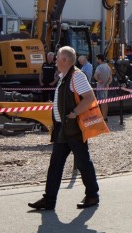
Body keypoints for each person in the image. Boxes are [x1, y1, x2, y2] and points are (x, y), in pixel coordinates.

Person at [29, 46, 100, 211]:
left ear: (64, 60)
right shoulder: (64, 76)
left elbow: (89, 98)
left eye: (57, 58)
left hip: (73, 129)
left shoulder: (77, 76)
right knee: (56, 164)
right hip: (63, 129)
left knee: (83, 163)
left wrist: (74, 113)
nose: (54, 61)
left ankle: (92, 195)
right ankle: (49, 199)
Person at [93, 54, 112, 119]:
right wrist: (107, 84)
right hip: (106, 88)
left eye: (96, 59)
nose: (96, 60)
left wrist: (98, 80)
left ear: (99, 59)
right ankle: (105, 117)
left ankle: (103, 118)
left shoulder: (99, 67)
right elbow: (110, 78)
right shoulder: (108, 66)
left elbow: (95, 75)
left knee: (102, 103)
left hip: (100, 87)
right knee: (105, 103)